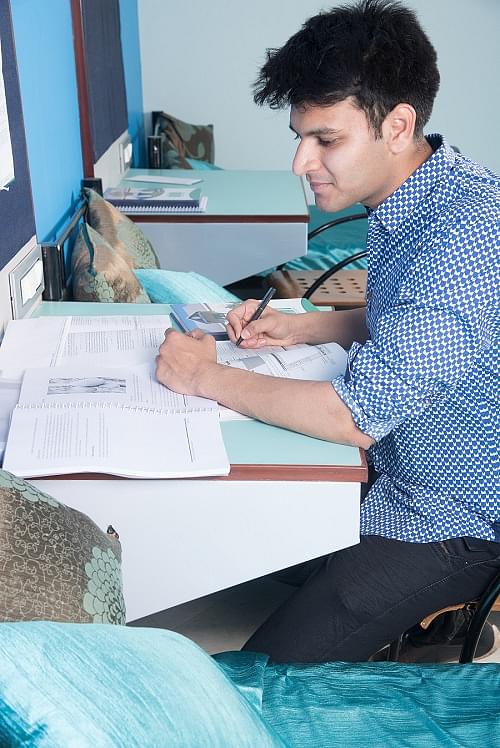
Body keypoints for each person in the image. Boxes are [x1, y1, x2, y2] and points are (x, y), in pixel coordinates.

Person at [156, 0, 500, 662]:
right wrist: (303, 327)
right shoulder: (422, 190)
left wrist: (204, 376)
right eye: (300, 136)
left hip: (455, 515)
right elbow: (410, 318)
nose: (300, 162)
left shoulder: (465, 233)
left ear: (398, 126)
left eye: (326, 140)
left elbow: (354, 416)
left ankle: (442, 611)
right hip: (394, 466)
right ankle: (429, 619)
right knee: (229, 534)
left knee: (259, 671)